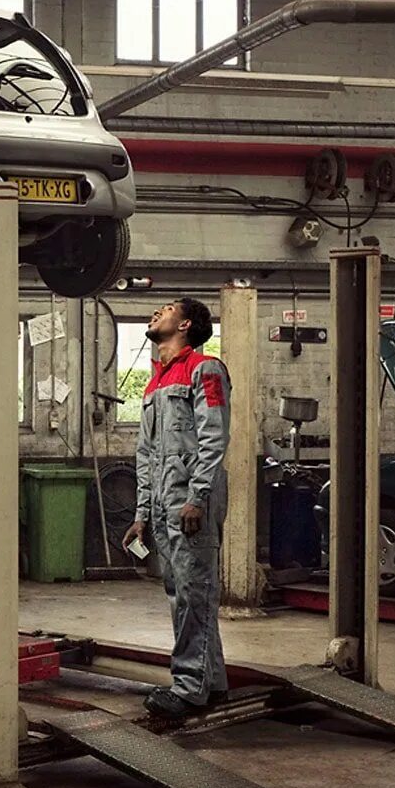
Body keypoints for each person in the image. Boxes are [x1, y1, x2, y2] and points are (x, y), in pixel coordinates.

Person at [123, 299, 232, 720]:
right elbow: (147, 454)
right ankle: (211, 683)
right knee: (182, 593)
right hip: (165, 503)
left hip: (190, 502)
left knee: (192, 594)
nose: (156, 312)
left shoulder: (206, 369)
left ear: (185, 324)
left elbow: (213, 438)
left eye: (167, 309)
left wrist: (198, 498)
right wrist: (141, 514)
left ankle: (188, 688)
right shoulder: (155, 382)